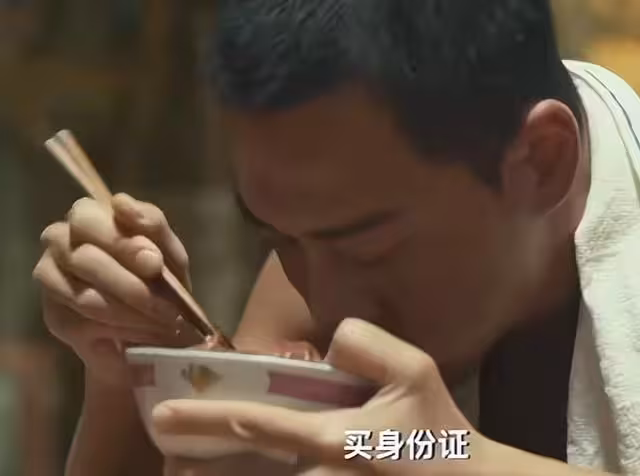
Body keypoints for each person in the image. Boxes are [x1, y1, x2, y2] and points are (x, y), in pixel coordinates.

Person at [32, 0, 640, 474]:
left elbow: (435, 450)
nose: (327, 309)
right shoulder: (330, 232)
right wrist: (126, 366)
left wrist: (461, 459)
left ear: (541, 162)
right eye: (279, 239)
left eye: (368, 246)